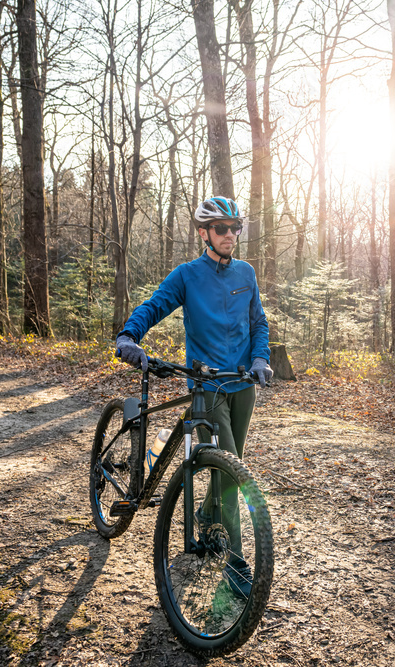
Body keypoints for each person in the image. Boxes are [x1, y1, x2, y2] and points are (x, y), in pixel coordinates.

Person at [114, 195, 272, 599]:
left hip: (242, 385)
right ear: (204, 233)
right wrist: (130, 335)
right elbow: (155, 306)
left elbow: (258, 324)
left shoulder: (247, 274)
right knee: (231, 472)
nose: (231, 235)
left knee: (231, 468)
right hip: (206, 389)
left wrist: (260, 359)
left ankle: (206, 516)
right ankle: (234, 563)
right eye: (222, 228)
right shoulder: (187, 275)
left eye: (236, 227)